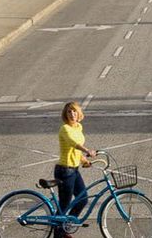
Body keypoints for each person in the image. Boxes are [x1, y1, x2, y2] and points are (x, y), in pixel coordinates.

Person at [54, 101, 99, 235]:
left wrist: (84, 160)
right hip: (64, 170)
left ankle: (65, 228)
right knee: (64, 205)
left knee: (83, 199)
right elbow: (73, 143)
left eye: (74, 111)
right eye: (69, 111)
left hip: (74, 170)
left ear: (79, 113)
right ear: (65, 114)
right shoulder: (65, 129)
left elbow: (76, 151)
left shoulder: (78, 127)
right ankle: (58, 234)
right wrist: (87, 150)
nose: (72, 114)